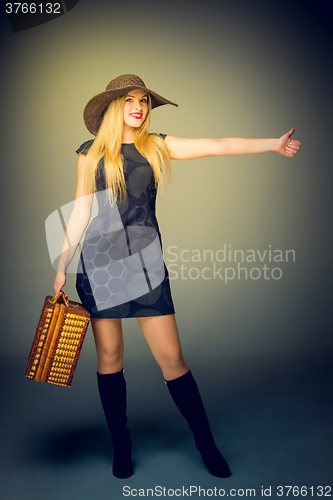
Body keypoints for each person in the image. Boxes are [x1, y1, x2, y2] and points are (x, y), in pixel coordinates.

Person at [53, 74, 300, 480]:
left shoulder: (156, 146)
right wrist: (61, 265)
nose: (139, 107)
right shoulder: (91, 153)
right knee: (110, 359)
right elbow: (81, 211)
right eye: (130, 100)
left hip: (145, 267)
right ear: (115, 106)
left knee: (172, 360)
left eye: (145, 101)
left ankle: (206, 443)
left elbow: (217, 146)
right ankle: (122, 446)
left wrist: (271, 144)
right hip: (98, 265)